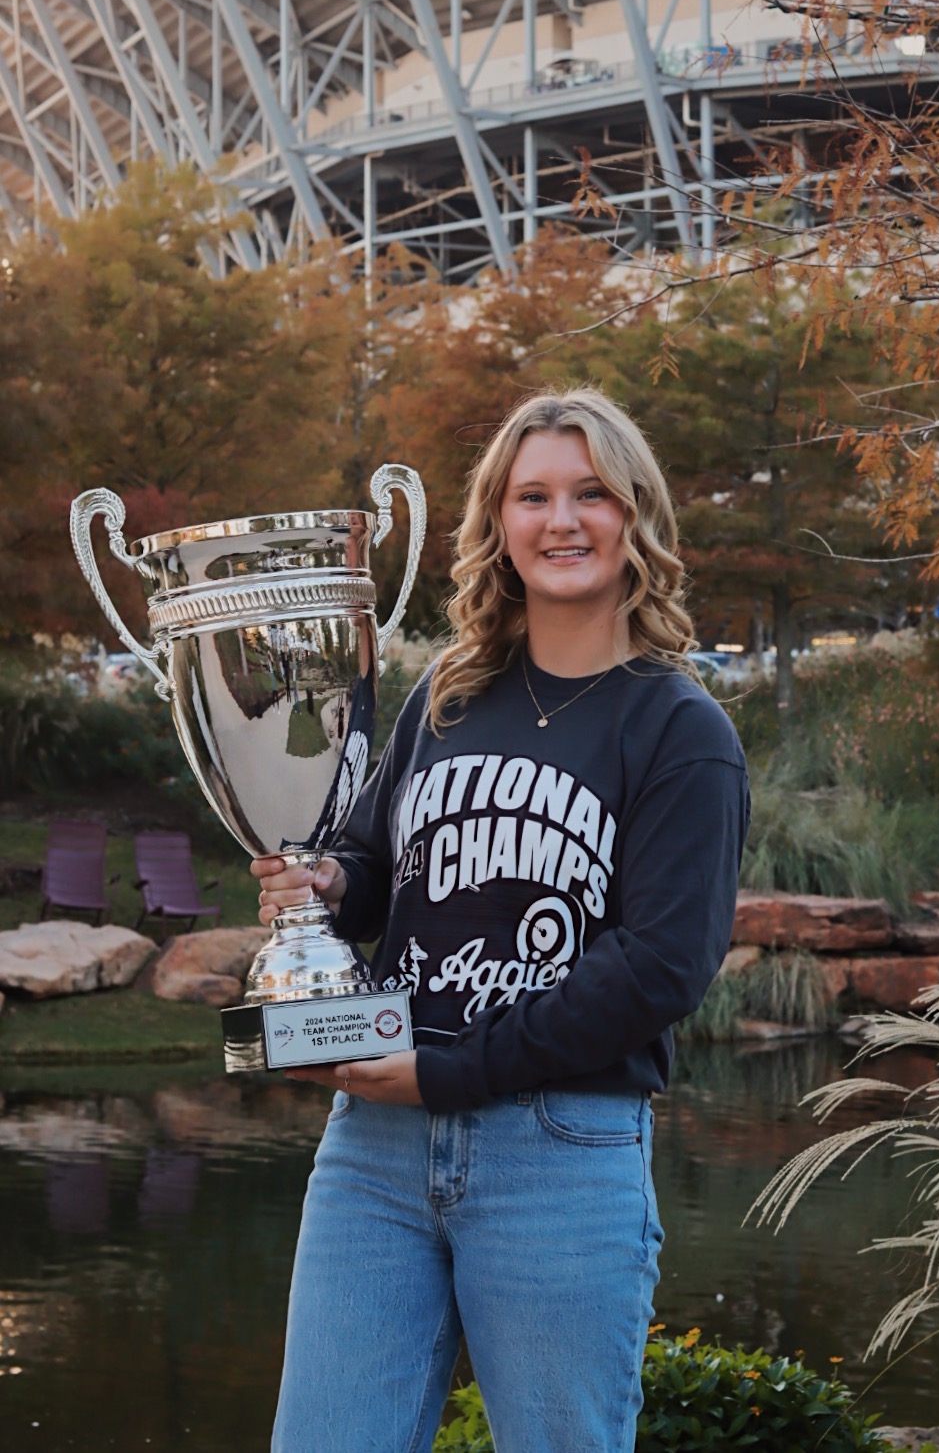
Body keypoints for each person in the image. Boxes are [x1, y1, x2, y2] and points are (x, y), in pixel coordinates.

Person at [252, 387, 751, 1453]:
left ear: (636, 518)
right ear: (499, 525)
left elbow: (660, 967)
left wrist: (453, 1072)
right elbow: (385, 872)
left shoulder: (680, 729)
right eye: (533, 496)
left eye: (591, 494)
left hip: (560, 1154)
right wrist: (329, 889)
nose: (561, 521)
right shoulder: (448, 692)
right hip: (373, 1154)